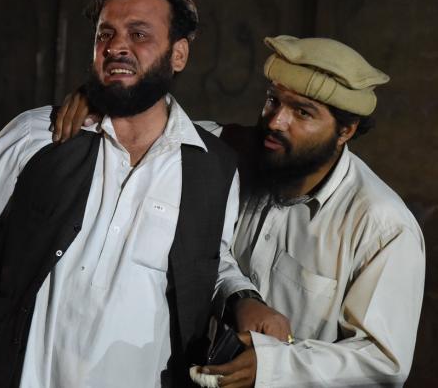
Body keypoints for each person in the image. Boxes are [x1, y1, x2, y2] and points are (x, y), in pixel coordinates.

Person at [0, 0, 275, 387]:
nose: (116, 46)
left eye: (138, 34)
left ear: (178, 54)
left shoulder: (213, 167)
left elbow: (211, 259)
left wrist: (243, 299)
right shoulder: (39, 134)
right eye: (105, 34)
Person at [55, 35, 426, 386]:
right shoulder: (224, 152)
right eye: (273, 100)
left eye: (302, 112)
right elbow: (152, 132)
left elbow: (383, 362)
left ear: (345, 131)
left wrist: (273, 368)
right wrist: (109, 101)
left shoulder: (381, 226)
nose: (276, 121)